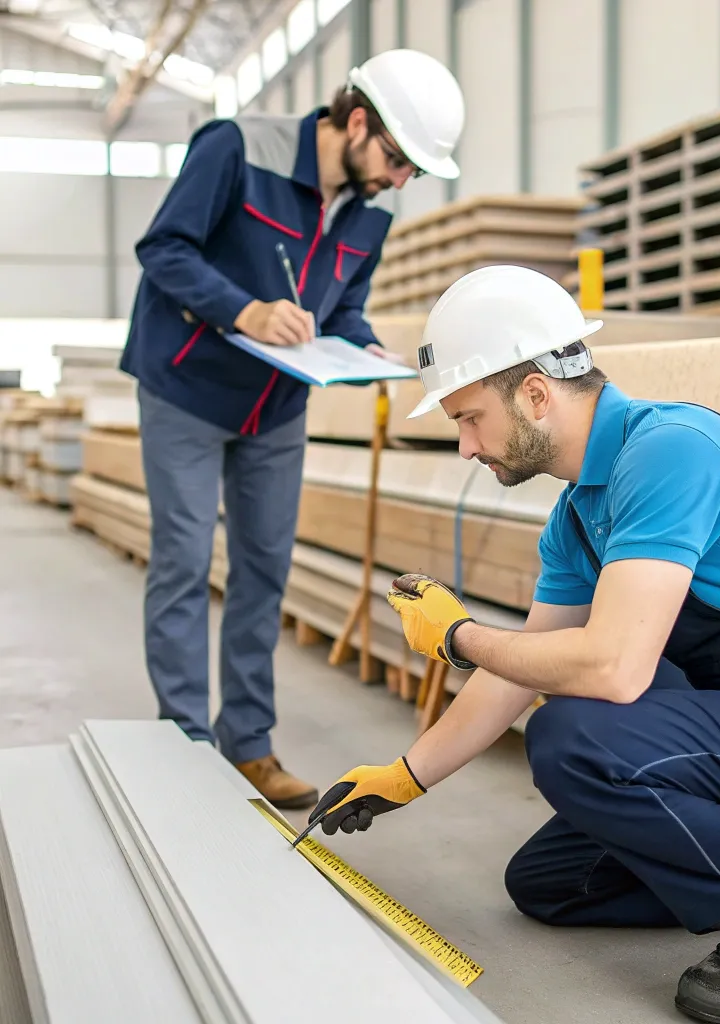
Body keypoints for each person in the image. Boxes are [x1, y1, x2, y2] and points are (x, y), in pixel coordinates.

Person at [306, 266, 720, 1022]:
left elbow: (616, 669)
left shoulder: (669, 452)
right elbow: (520, 671)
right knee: (551, 885)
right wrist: (407, 774)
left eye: (468, 418)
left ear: (534, 394)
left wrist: (461, 637)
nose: (465, 445)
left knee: (572, 734)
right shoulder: (578, 516)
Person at [119, 49, 465, 810]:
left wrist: (360, 343)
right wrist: (242, 310)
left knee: (265, 568)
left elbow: (340, 304)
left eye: (412, 170)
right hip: (185, 384)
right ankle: (183, 745)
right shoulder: (237, 147)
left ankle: (247, 746)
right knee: (181, 561)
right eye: (398, 160)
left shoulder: (372, 210)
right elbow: (163, 250)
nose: (400, 181)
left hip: (276, 406)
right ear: (358, 120)